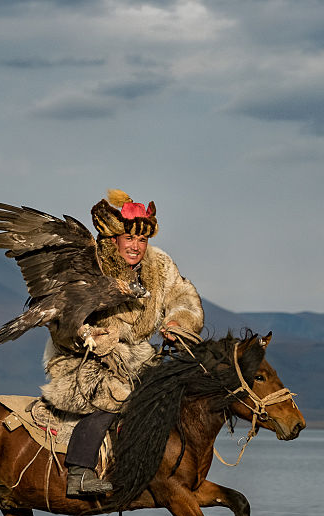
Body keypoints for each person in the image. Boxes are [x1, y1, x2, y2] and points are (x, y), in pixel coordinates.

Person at [40, 189, 204, 496]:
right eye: (129, 238)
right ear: (115, 239)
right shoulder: (91, 263)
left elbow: (183, 297)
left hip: (138, 356)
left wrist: (176, 322)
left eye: (142, 240)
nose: (136, 246)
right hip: (81, 354)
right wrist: (92, 337)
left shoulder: (160, 266)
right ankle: (79, 471)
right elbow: (62, 318)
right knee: (113, 397)